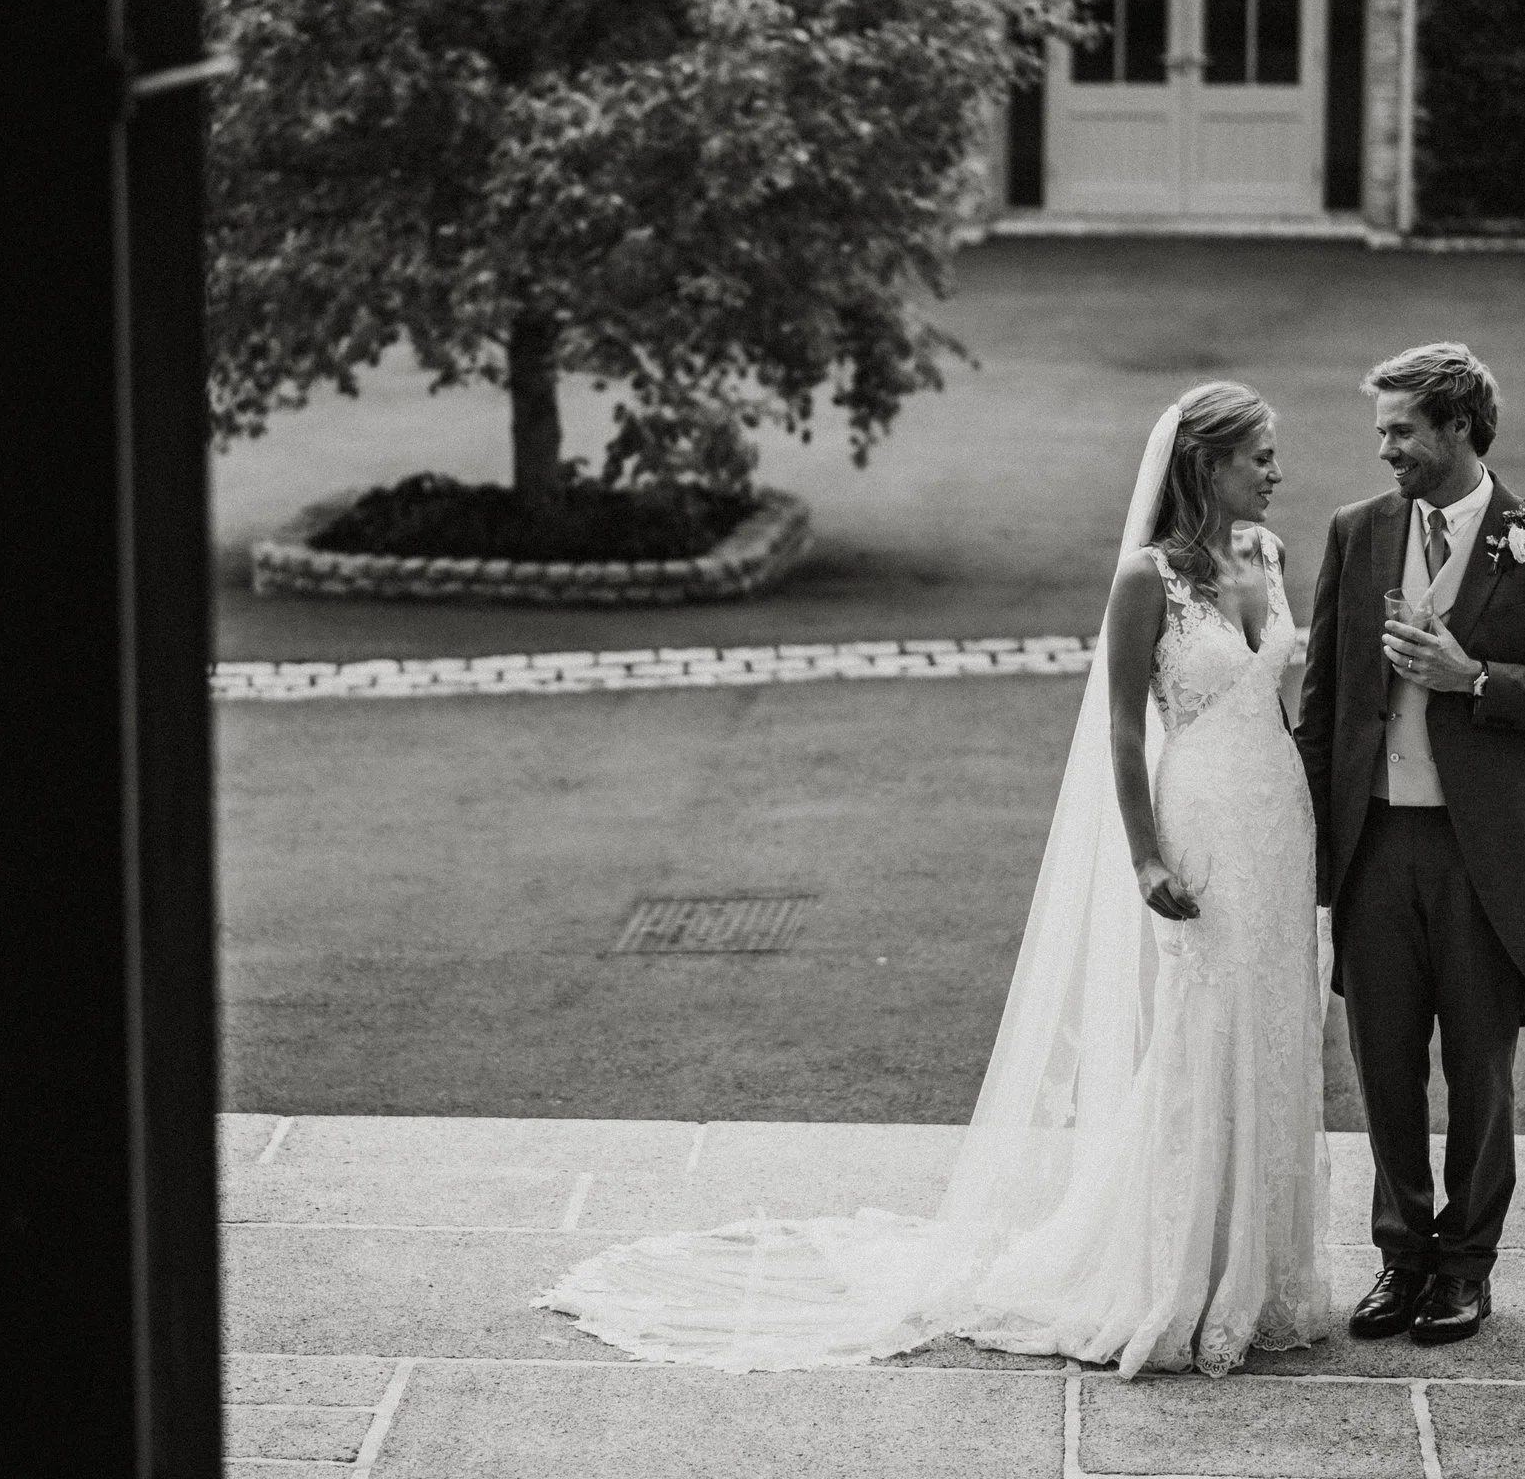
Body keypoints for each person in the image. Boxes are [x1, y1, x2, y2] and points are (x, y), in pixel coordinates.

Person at [534, 382, 1332, 1378]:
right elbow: (1123, 727)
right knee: (1201, 1034)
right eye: (1259, 455)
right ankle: (1178, 1273)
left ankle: (1260, 1272)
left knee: (1274, 1030)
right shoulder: (1146, 580)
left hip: (1278, 817)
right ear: (1204, 464)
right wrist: (1143, 853)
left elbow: (1283, 703)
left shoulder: (1269, 554)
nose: (1275, 472)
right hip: (1202, 820)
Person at [1293, 343, 1525, 1347]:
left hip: (1484, 856)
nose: (1383, 447)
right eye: (1381, 429)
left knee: (1479, 1070)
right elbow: (1324, 703)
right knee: (1382, 1063)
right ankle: (1401, 1255)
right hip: (1376, 845)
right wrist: (1305, 849)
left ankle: (1465, 1266)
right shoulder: (1357, 531)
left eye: (1400, 430)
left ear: (1458, 428)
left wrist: (1473, 675)